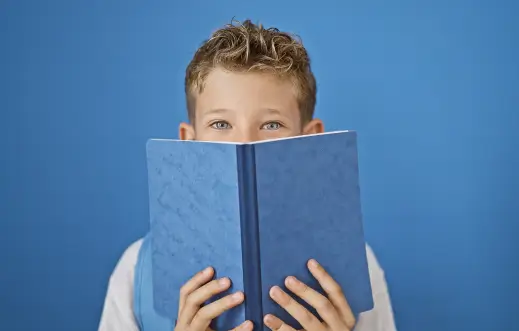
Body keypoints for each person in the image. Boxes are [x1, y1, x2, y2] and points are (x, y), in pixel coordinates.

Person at [98, 19, 397, 331]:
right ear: (189, 141)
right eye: (220, 124)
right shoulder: (136, 269)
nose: (245, 142)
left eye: (271, 124)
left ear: (311, 141)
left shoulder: (356, 267)